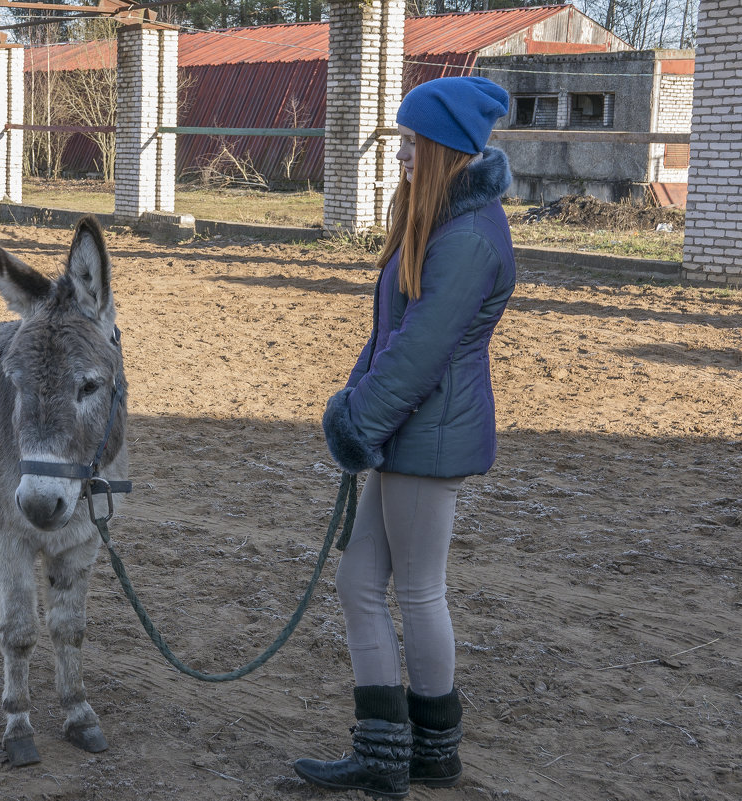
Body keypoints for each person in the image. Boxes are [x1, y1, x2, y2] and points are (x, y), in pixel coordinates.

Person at [293, 76, 516, 798]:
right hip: (401, 434)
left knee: (418, 591)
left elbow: (418, 355)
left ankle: (429, 751)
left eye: (410, 141)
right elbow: (388, 338)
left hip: (426, 439)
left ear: (442, 146)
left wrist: (357, 422)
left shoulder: (469, 240)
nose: (401, 154)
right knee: (360, 581)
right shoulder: (440, 224)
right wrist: (356, 406)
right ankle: (386, 749)